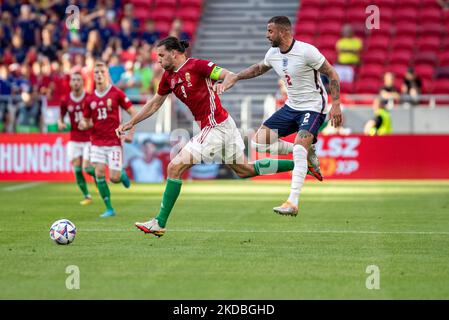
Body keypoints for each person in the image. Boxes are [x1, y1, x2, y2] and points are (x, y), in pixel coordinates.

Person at [117, 36, 296, 237]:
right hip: (221, 125)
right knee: (244, 170)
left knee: (174, 167)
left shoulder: (197, 66)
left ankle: (159, 222)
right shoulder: (168, 77)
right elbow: (154, 104)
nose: (158, 60)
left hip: (216, 127)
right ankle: (298, 163)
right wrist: (132, 122)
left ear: (174, 53)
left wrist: (224, 84)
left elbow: (228, 74)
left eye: (161, 55)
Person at [216, 16, 342, 217]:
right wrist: (237, 76)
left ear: (284, 32)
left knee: (300, 150)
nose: (267, 35)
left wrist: (336, 104)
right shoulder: (273, 53)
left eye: (270, 31)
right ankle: (307, 154)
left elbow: (332, 74)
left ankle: (292, 201)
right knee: (258, 142)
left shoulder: (307, 51)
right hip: (291, 106)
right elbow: (259, 68)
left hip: (314, 107)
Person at [79, 60, 138, 218]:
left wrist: (130, 133)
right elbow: (85, 121)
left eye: (102, 72)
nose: (99, 75)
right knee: (98, 173)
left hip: (114, 142)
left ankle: (122, 174)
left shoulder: (117, 93)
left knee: (114, 177)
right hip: (97, 141)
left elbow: (134, 113)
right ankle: (109, 208)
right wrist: (83, 124)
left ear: (107, 75)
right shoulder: (89, 99)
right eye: (96, 73)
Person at [58, 72, 96, 205]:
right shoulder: (65, 100)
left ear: (83, 82)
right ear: (70, 83)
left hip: (88, 138)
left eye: (78, 80)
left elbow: (96, 119)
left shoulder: (89, 98)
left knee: (87, 168)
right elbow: (61, 116)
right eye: (73, 80)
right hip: (74, 138)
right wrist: (61, 123)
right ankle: (87, 196)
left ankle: (98, 178)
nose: (75, 82)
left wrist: (88, 124)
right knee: (77, 169)